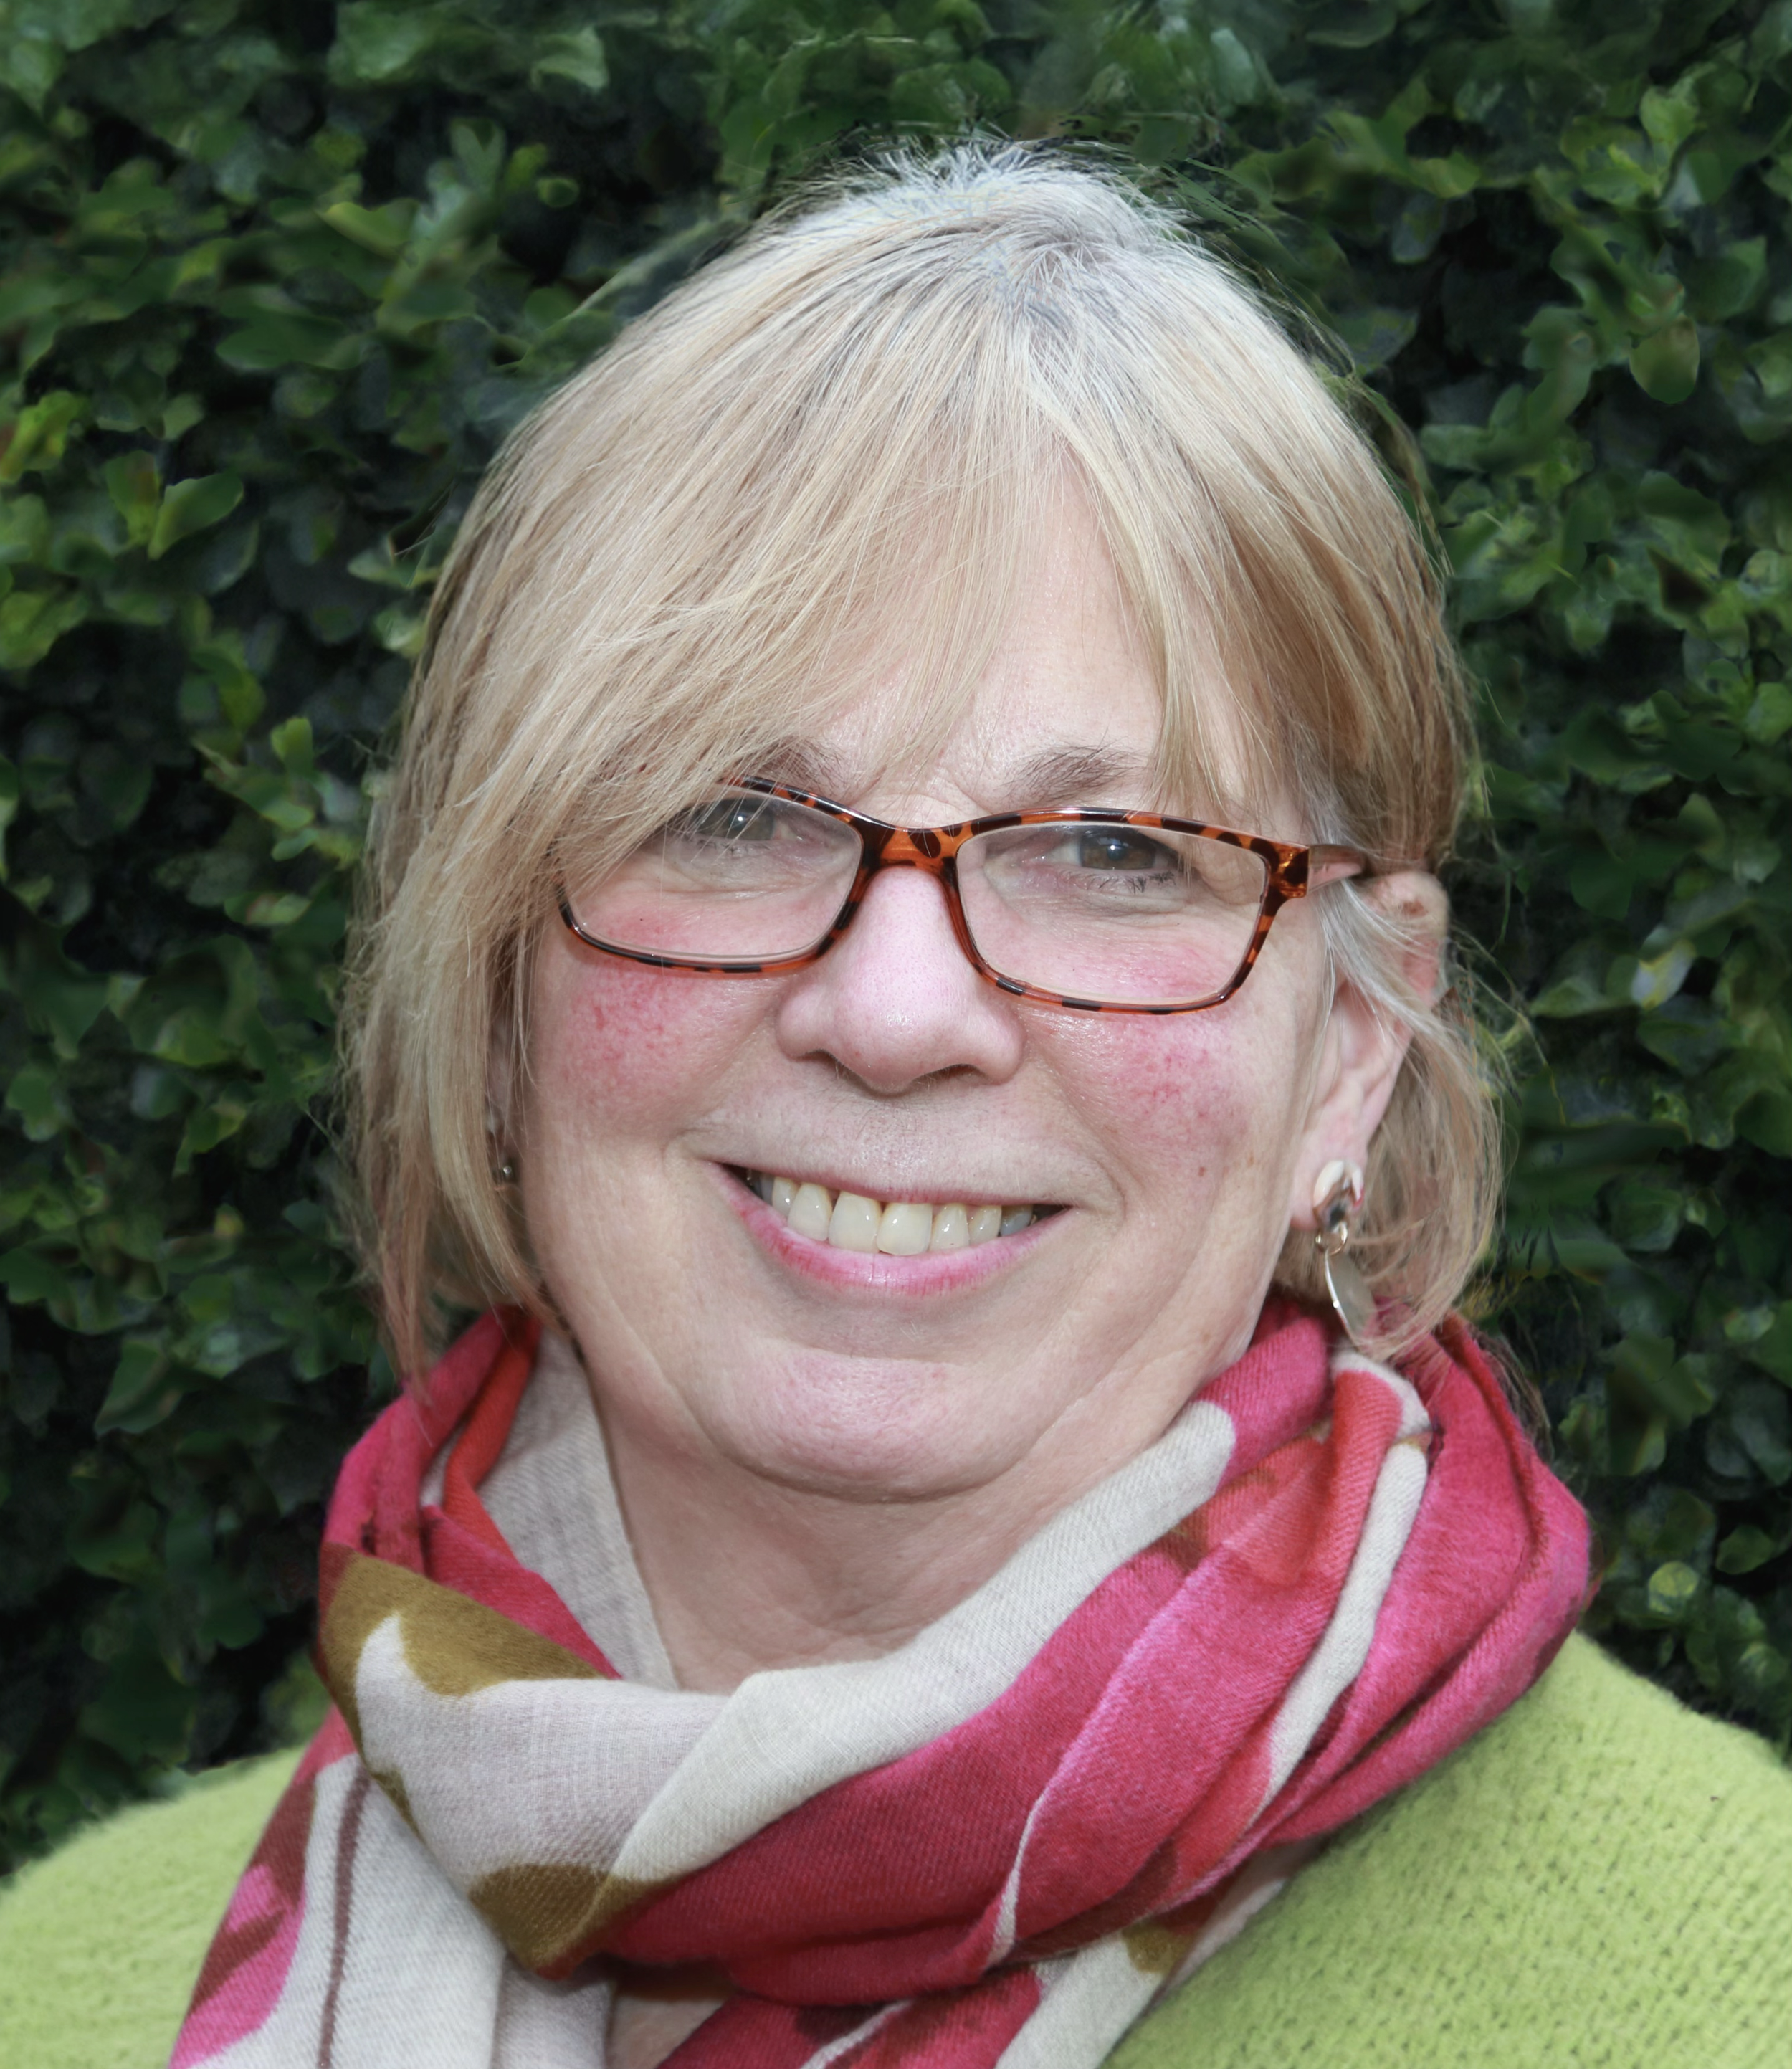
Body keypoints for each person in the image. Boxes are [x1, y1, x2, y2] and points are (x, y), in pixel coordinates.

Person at [3, 146, 1790, 2069]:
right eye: (734, 816)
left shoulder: (1727, 1979)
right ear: (501, 990)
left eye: (1112, 849)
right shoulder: (63, 1987)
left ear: (1348, 1048)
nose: (893, 1007)